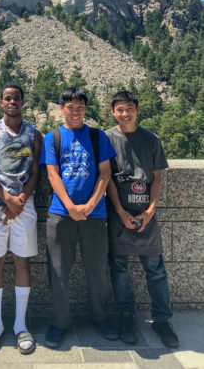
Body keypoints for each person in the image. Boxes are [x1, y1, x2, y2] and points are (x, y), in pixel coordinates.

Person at [39, 87, 118, 348]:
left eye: (80, 108)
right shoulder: (53, 137)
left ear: (86, 109)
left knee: (97, 269)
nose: (75, 112)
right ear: (61, 109)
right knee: (58, 271)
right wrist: (71, 206)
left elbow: (105, 174)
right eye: (70, 107)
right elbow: (52, 175)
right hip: (61, 213)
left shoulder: (98, 137)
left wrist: (92, 203)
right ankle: (60, 322)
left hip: (95, 215)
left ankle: (100, 317)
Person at [105, 90, 179, 348]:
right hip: (118, 211)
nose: (125, 114)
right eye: (120, 109)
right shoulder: (106, 138)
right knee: (120, 267)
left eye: (129, 109)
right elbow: (107, 179)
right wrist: (120, 211)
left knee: (156, 269)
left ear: (137, 110)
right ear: (112, 111)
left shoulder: (150, 139)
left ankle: (162, 319)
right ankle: (126, 316)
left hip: (146, 210)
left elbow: (157, 177)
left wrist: (150, 210)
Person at [0, 83, 42, 356]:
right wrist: (7, 199)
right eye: (7, 98)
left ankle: (20, 325)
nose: (12, 102)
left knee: (21, 261)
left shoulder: (33, 134)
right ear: (0, 102)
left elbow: (37, 170)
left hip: (24, 206)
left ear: (23, 102)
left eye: (16, 98)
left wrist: (21, 200)